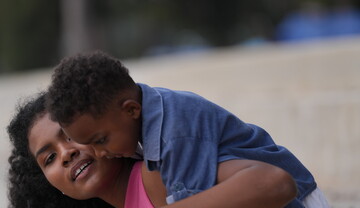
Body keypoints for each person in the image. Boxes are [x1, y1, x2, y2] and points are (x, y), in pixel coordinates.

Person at [46, 51, 329, 207]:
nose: (99, 152)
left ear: (131, 109)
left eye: (101, 140)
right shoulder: (148, 117)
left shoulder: (173, 133)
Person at [7, 92, 296, 208]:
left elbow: (275, 181)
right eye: (50, 158)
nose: (66, 153)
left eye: (69, 136)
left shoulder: (159, 173)